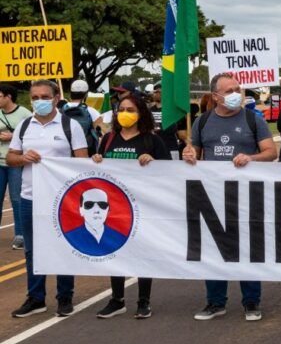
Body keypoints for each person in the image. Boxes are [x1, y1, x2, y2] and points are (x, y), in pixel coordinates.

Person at [184, 73, 277, 322]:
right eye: (230, 90)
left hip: (247, 196)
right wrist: (190, 155)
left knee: (248, 249)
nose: (237, 93)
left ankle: (251, 302)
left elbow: (271, 152)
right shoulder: (202, 122)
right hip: (213, 196)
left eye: (238, 88)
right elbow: (197, 156)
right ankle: (215, 302)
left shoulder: (252, 119)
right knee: (214, 249)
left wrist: (251, 158)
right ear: (215, 97)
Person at [7, 80, 88, 318]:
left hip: (61, 200)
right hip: (29, 197)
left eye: (44, 96)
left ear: (55, 98)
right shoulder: (24, 126)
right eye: (34, 97)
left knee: (63, 247)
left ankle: (65, 297)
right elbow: (11, 158)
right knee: (33, 250)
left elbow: (81, 160)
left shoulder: (69, 125)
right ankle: (36, 298)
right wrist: (23, 159)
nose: (39, 101)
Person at [90, 91, 170, 319]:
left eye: (131, 110)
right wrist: (96, 160)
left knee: (143, 252)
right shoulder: (108, 139)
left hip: (143, 206)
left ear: (141, 114)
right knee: (115, 252)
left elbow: (170, 173)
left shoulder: (152, 140)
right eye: (122, 110)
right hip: (114, 207)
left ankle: (143, 301)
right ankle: (117, 300)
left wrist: (154, 162)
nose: (125, 114)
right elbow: (98, 171)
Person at [0, 84, 31, 250]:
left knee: (17, 198)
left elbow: (32, 134)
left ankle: (20, 235)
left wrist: (13, 136)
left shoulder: (24, 113)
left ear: (8, 97)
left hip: (15, 162)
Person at [63, 80, 102, 155]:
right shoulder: (92, 112)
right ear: (86, 95)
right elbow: (101, 133)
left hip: (64, 154)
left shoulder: (60, 111)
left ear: (70, 93)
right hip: (85, 153)